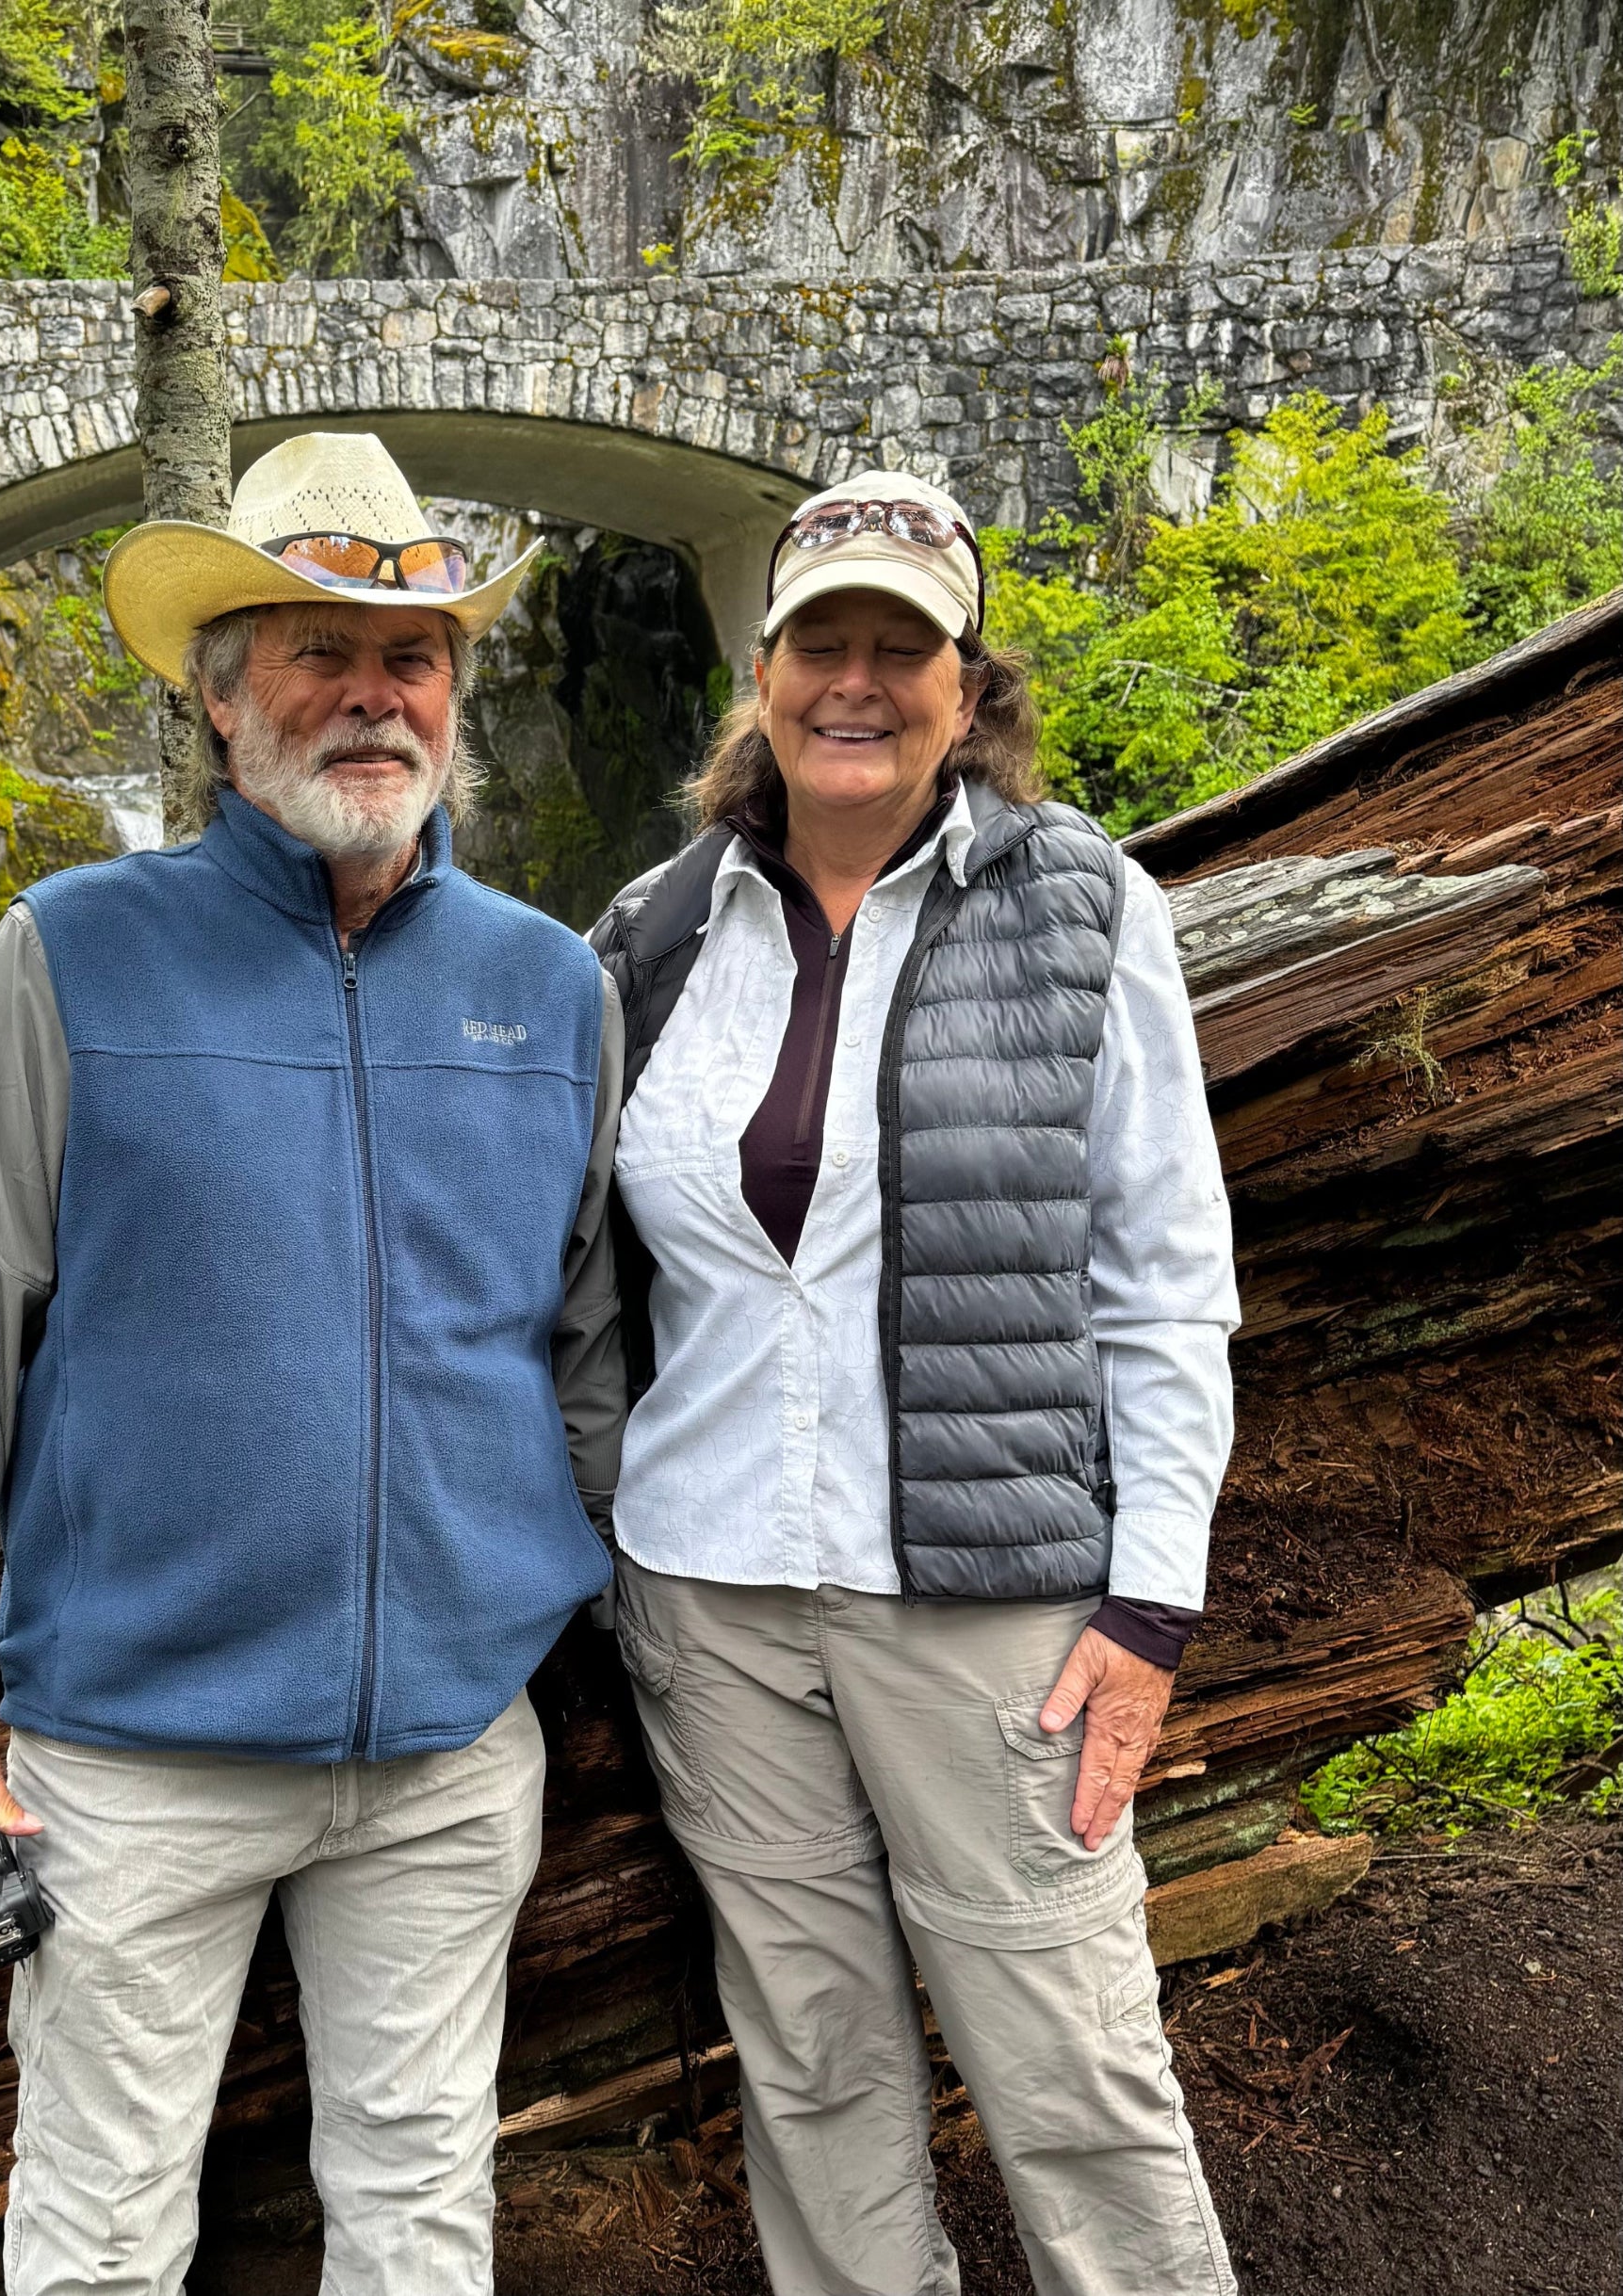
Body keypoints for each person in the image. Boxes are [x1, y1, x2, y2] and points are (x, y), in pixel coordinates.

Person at [0, 432, 626, 2296]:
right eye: (313, 646)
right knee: (103, 2238)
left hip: (444, 1755)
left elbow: (585, 1339)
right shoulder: (69, 957)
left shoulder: (548, 985)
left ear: (452, 690)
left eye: (410, 653)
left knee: (422, 2219)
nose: (371, 691)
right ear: (217, 695)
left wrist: (588, 1618)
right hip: (127, 1756)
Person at [589, 471, 1240, 2296]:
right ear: (764, 667)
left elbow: (1166, 1278)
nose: (853, 682)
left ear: (967, 683)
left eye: (901, 646)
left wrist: (1151, 1595)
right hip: (709, 1587)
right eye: (822, 644)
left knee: (1073, 2055)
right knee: (808, 2058)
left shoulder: (1080, 910)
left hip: (988, 1603)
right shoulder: (656, 929)